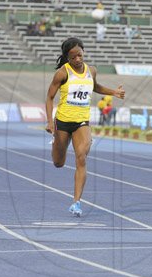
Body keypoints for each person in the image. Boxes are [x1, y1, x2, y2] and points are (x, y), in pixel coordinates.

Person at [45, 37, 125, 216]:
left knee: (81, 157)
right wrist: (50, 122)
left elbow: (95, 87)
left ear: (83, 52)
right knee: (59, 163)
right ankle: (55, 142)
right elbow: (49, 97)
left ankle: (76, 202)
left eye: (80, 55)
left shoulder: (92, 70)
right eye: (73, 57)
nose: (77, 60)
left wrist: (114, 92)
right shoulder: (62, 73)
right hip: (63, 121)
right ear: (67, 57)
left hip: (82, 121)